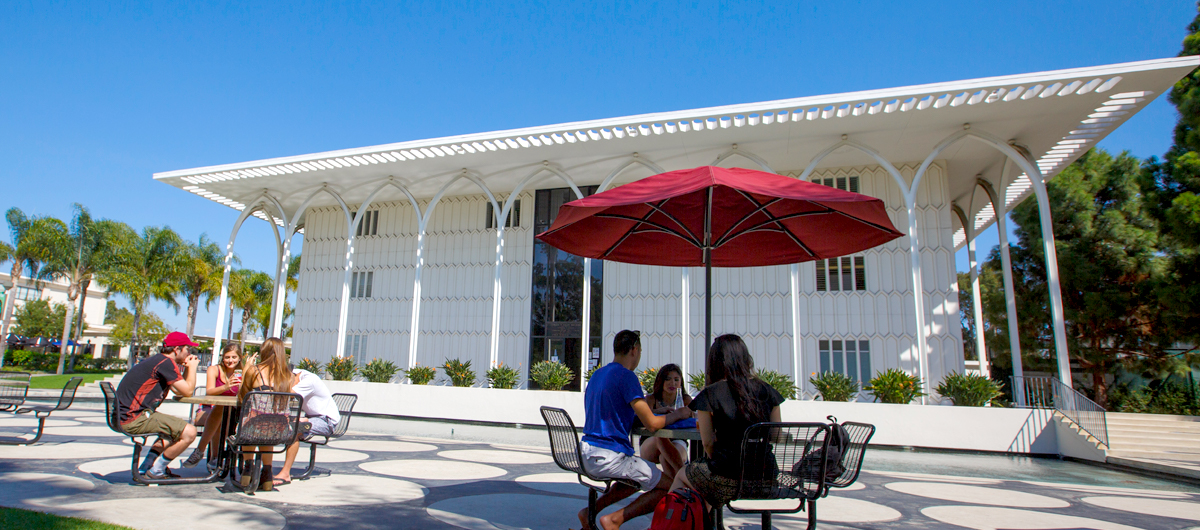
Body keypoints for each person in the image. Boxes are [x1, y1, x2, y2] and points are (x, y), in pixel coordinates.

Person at [577, 330, 694, 530]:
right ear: (635, 349)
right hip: (610, 456)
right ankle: (614, 520)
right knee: (671, 486)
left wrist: (656, 411)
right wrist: (678, 414)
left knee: (635, 478)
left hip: (586, 452)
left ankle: (590, 511)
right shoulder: (627, 376)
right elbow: (652, 425)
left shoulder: (598, 374)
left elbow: (617, 411)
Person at [668, 334, 784, 509]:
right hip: (766, 477)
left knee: (684, 474)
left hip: (728, 478)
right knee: (707, 484)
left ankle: (668, 523)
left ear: (715, 362)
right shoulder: (768, 391)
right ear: (745, 358)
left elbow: (707, 443)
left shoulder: (711, 394)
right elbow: (776, 435)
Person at [115, 331, 201, 479]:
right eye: (187, 349)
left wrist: (187, 368)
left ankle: (146, 467)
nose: (189, 353)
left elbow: (178, 389)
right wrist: (192, 367)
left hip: (126, 417)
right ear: (177, 349)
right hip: (134, 418)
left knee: (172, 431)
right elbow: (187, 391)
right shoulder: (166, 363)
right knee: (190, 432)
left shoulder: (159, 361)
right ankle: (157, 471)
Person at [236, 337, 294, 491]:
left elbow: (243, 396)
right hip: (279, 430)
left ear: (263, 351)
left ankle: (248, 467)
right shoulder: (288, 375)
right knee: (267, 426)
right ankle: (267, 472)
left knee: (253, 425)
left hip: (253, 427)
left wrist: (245, 369)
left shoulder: (254, 371)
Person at [271, 364, 341, 486]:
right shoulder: (296, 375)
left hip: (326, 421)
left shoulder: (308, 380)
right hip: (312, 417)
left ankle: (285, 473)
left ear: (292, 376)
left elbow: (288, 393)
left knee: (295, 429)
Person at [181, 343, 243, 468]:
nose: (230, 361)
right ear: (222, 357)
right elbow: (209, 391)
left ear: (240, 358)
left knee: (222, 417)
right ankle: (211, 455)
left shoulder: (242, 372)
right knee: (220, 410)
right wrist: (226, 387)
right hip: (209, 410)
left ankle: (211, 456)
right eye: (227, 357)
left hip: (233, 412)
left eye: (234, 357)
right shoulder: (214, 369)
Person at [639, 363, 692, 479]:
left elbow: (695, 417)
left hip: (677, 439)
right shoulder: (651, 399)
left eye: (676, 379)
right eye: (667, 379)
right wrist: (660, 411)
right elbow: (642, 418)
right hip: (650, 440)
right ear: (660, 381)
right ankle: (685, 479)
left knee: (665, 457)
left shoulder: (686, 400)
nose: (672, 383)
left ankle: (673, 492)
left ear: (681, 382)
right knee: (661, 437)